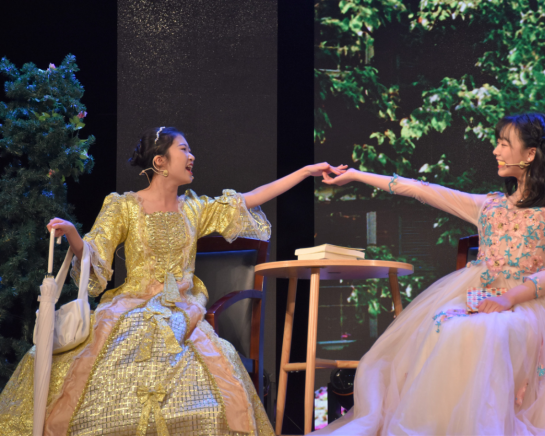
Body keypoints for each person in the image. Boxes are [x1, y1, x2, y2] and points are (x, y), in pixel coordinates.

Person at [0, 126, 346, 436]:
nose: (192, 156)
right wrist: (74, 234)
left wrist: (305, 171)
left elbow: (250, 198)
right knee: (91, 373)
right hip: (130, 308)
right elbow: (95, 255)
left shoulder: (194, 208)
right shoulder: (124, 206)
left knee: (217, 368)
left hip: (183, 312)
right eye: (184, 149)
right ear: (160, 161)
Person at [314, 113, 545, 435]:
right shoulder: (489, 205)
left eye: (504, 144)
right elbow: (421, 189)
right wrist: (357, 175)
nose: (496, 151)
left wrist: (508, 298)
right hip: (479, 294)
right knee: (445, 323)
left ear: (530, 154)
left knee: (490, 330)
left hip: (530, 302)